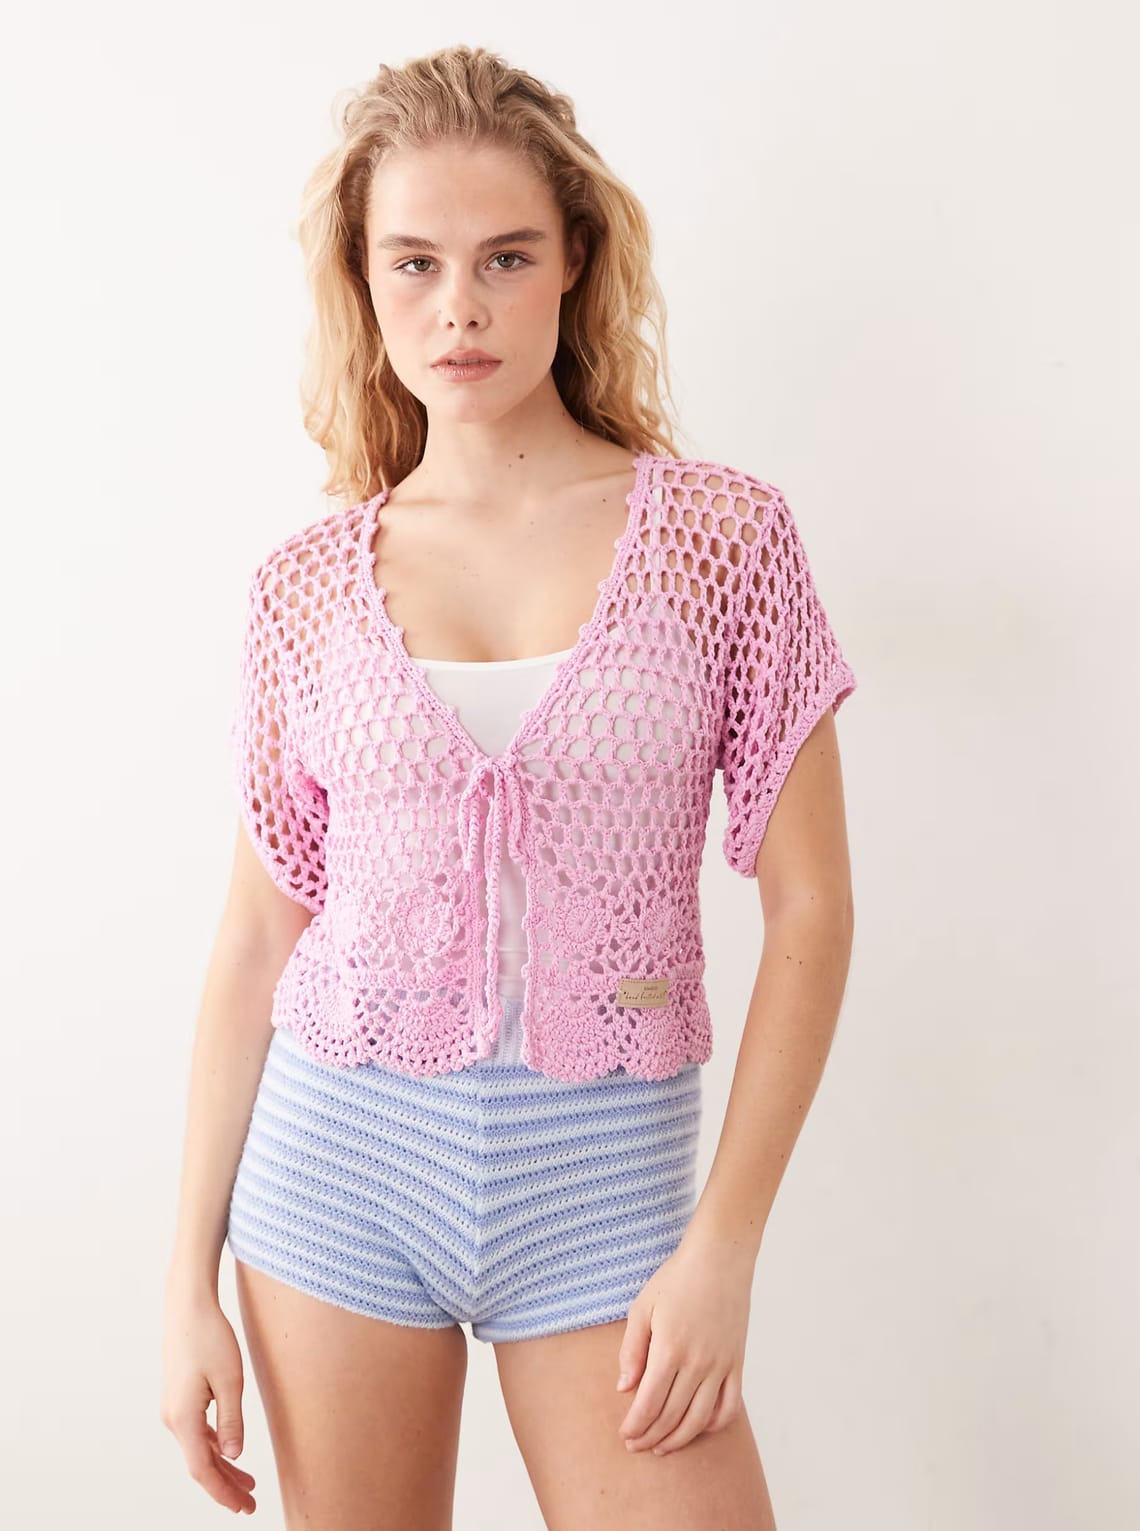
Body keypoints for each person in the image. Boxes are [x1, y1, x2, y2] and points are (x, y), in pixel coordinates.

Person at [160, 44, 857, 1530]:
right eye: (413, 263)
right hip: (338, 1175)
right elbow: (258, 937)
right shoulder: (305, 589)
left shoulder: (723, 543)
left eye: (505, 257)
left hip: (607, 1188)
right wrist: (183, 1283)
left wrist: (726, 1246)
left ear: (574, 262)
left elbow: (810, 908)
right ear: (363, 279)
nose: (459, 308)